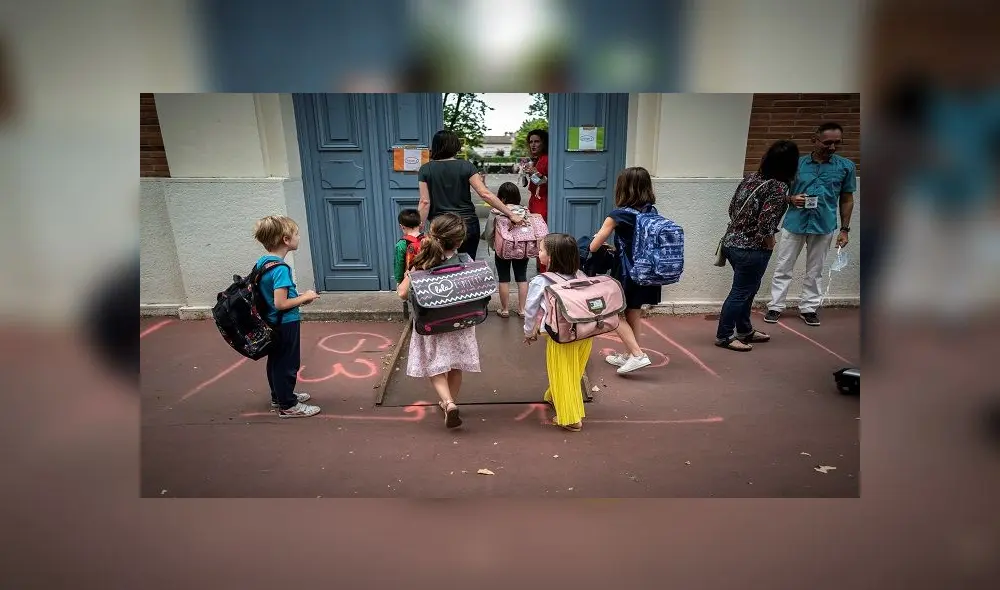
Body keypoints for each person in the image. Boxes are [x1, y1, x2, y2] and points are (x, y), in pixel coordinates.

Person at [765, 122, 857, 327]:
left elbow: (847, 199)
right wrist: (790, 199)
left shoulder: (846, 167)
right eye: (827, 143)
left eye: (837, 143)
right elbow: (778, 192)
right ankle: (775, 306)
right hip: (795, 223)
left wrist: (845, 229)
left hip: (824, 224)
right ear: (814, 140)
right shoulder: (796, 165)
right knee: (783, 266)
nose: (832, 147)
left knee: (816, 270)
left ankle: (809, 308)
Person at [396, 213, 481, 429]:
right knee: (455, 365)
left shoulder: (423, 262)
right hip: (460, 323)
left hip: (432, 324)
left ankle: (448, 403)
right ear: (460, 241)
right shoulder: (465, 261)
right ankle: (448, 402)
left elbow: (402, 294)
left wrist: (409, 275)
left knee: (434, 365)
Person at [715, 140, 800, 351]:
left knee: (747, 290)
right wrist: (770, 242)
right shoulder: (779, 186)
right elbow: (766, 223)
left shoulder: (751, 178)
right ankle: (724, 336)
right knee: (741, 292)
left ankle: (744, 330)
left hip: (732, 243)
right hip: (752, 249)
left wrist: (787, 200)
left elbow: (733, 207)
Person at [588, 167, 657, 375]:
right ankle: (631, 354)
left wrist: (598, 239)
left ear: (622, 188)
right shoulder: (651, 211)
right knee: (633, 312)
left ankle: (637, 355)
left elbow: (593, 247)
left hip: (626, 273)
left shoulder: (617, 215)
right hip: (646, 270)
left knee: (613, 312)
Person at [252, 215, 322, 418]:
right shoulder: (281, 269)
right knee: (288, 363)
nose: (299, 237)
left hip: (271, 321)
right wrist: (305, 297)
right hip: (285, 322)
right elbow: (281, 303)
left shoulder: (264, 263)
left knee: (275, 361)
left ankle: (279, 396)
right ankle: (288, 405)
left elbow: (273, 297)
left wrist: (299, 298)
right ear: (285, 239)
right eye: (296, 234)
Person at [417, 130, 524, 260]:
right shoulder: (467, 166)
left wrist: (418, 227)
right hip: (467, 224)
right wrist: (511, 214)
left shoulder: (425, 169)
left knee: (441, 265)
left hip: (441, 226)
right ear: (455, 146)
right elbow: (485, 194)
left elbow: (424, 202)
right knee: (468, 264)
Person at [522, 233, 590, 432]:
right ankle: (554, 395)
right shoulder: (581, 275)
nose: (538, 252)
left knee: (561, 372)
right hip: (585, 332)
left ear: (550, 257)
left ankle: (571, 418)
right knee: (574, 370)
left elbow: (530, 310)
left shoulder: (541, 281)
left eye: (541, 249)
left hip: (560, 335)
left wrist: (529, 332)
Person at [482, 182, 530, 317]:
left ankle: (504, 310)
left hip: (502, 249)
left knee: (503, 278)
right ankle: (522, 310)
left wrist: (494, 246)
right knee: (522, 277)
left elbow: (489, 232)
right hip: (522, 249)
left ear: (501, 198)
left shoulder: (495, 211)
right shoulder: (524, 210)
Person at [523, 129, 550, 272]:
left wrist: (535, 173)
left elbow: (545, 183)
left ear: (544, 143)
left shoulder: (545, 159)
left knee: (541, 239)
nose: (533, 145)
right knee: (538, 239)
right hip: (535, 202)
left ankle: (544, 270)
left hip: (541, 203)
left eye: (537, 141)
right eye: (531, 142)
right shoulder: (537, 159)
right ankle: (541, 268)